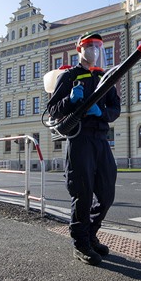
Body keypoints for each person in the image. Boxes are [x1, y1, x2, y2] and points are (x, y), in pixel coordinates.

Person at [46, 32, 121, 265]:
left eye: (98, 47)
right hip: (79, 140)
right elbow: (53, 110)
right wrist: (70, 99)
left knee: (106, 193)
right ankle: (81, 243)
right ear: (79, 49)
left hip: (101, 140)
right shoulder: (70, 76)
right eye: (89, 46)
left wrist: (102, 113)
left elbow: (115, 108)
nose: (95, 51)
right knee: (83, 193)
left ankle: (91, 233)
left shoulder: (104, 78)